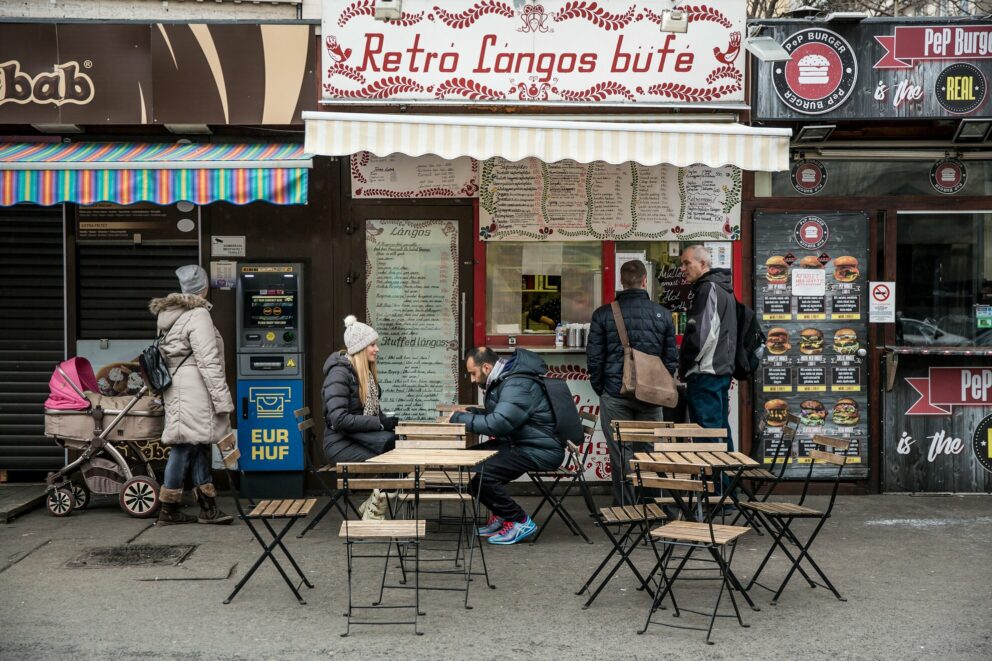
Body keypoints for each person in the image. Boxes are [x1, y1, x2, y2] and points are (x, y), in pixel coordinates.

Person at [587, 259, 679, 506]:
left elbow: (594, 358)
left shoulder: (604, 314)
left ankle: (626, 508)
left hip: (615, 394)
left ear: (621, 281)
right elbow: (671, 359)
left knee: (620, 451)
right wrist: (658, 386)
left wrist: (603, 388)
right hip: (651, 397)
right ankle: (650, 505)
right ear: (645, 280)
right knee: (648, 450)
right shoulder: (663, 314)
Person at [449, 347, 563, 545]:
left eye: (473, 373)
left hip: (539, 450)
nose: (472, 380)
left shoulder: (516, 383)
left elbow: (499, 424)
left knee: (479, 474)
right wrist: (472, 413)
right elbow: (502, 415)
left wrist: (459, 418)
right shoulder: (506, 379)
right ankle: (502, 515)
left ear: (486, 367)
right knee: (466, 463)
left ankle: (519, 521)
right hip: (521, 443)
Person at [150, 264, 234, 525]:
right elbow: (208, 361)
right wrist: (222, 400)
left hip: (177, 387)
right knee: (185, 445)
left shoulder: (169, 316)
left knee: (195, 443)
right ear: (204, 288)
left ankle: (208, 507)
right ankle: (168, 508)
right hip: (195, 388)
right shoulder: (198, 315)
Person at [321, 315, 399, 519]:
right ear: (360, 348)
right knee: (396, 458)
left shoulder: (362, 373)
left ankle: (374, 502)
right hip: (339, 444)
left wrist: (387, 422)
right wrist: (380, 423)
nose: (377, 349)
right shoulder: (339, 374)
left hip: (356, 438)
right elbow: (339, 419)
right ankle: (374, 513)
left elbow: (370, 412)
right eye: (372, 345)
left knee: (398, 447)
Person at [679, 245, 737, 454]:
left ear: (703, 264)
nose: (683, 268)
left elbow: (701, 335)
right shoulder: (722, 287)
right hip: (719, 372)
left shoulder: (707, 288)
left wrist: (684, 366)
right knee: (721, 433)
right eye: (681, 264)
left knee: (709, 438)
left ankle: (718, 487)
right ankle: (728, 485)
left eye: (687, 263)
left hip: (705, 375)